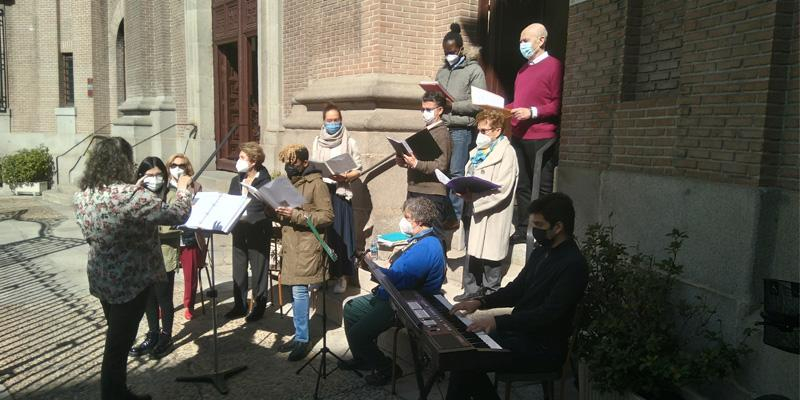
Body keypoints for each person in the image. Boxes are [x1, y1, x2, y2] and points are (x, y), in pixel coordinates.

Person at [74, 137, 192, 400]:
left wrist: (133, 190)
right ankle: (115, 394)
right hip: (131, 281)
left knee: (116, 337)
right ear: (124, 162)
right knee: (118, 345)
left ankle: (118, 391)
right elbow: (176, 215)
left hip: (102, 277)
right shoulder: (131, 196)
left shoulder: (84, 195)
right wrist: (184, 190)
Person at [446, 192, 588, 400]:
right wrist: (479, 302)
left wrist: (497, 322)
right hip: (519, 336)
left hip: (542, 348)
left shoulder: (573, 265)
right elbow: (516, 290)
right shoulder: (542, 252)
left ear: (558, 227)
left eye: (539, 225)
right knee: (462, 356)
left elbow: (547, 315)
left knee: (466, 361)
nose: (534, 231)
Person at [338, 197, 446, 386]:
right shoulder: (419, 239)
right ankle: (364, 358)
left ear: (418, 222)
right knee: (351, 309)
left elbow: (400, 281)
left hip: (404, 304)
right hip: (392, 294)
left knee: (358, 334)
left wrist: (372, 267)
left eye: (407, 217)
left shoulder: (427, 246)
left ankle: (388, 369)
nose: (404, 221)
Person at [274, 144, 334, 361]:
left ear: (305, 163)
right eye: (286, 163)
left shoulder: (317, 184)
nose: (289, 167)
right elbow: (286, 214)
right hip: (292, 244)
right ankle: (299, 335)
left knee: (299, 292)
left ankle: (303, 338)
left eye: (293, 162)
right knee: (293, 290)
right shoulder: (288, 182)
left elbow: (327, 217)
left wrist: (295, 215)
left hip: (307, 246)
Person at [452, 109, 519, 302]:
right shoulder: (477, 152)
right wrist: (464, 191)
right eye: (478, 130)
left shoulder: (507, 153)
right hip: (473, 206)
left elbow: (504, 188)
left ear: (497, 131)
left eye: (484, 130)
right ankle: (471, 289)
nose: (480, 135)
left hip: (493, 210)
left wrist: (477, 199)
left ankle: (491, 292)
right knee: (472, 249)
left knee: (491, 250)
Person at [507, 23, 563, 244]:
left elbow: (557, 104)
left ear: (541, 40)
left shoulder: (554, 66)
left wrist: (532, 112)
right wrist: (501, 108)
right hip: (519, 135)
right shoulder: (522, 70)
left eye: (526, 40)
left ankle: (542, 229)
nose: (522, 45)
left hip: (542, 136)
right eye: (520, 41)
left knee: (542, 186)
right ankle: (523, 228)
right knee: (523, 185)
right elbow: (519, 102)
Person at [435, 22, 487, 227]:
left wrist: (453, 105)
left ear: (460, 49)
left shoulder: (474, 70)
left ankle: (455, 216)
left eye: (452, 51)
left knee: (457, 173)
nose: (449, 55)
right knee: (442, 172)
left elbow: (480, 103)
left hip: (461, 129)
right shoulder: (441, 72)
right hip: (442, 127)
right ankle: (442, 212)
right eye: (446, 52)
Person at [128, 157, 180, 360]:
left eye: (159, 175)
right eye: (150, 175)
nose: (155, 179)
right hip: (143, 256)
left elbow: (172, 224)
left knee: (164, 297)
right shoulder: (136, 196)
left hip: (164, 253)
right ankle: (153, 333)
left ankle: (166, 335)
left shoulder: (172, 195)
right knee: (148, 298)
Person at [310, 103, 362, 294]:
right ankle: (321, 275)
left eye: (336, 120)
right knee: (322, 235)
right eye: (329, 120)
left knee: (341, 236)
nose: (333, 124)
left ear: (341, 121)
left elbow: (358, 168)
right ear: (323, 122)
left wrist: (345, 177)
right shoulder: (317, 141)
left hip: (340, 192)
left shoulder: (349, 141)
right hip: (322, 193)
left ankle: (342, 276)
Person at [226, 142, 272, 322]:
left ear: (253, 161)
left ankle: (259, 306)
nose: (239, 161)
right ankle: (240, 305)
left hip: (258, 229)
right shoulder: (235, 180)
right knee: (239, 269)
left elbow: (269, 206)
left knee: (259, 269)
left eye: (242, 158)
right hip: (238, 229)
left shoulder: (266, 181)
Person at [396, 91, 454, 231]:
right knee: (413, 231)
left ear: (439, 110)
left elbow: (441, 165)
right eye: (422, 109)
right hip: (415, 188)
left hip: (432, 192)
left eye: (428, 109)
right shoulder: (426, 131)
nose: (424, 113)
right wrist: (404, 160)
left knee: (433, 233)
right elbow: (420, 158)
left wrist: (416, 163)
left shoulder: (442, 133)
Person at [165, 153, 205, 321]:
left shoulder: (195, 186)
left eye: (182, 165)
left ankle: (189, 305)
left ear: (188, 168)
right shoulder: (164, 187)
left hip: (189, 236)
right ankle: (164, 305)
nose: (178, 169)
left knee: (191, 275)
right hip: (170, 237)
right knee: (166, 275)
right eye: (174, 165)